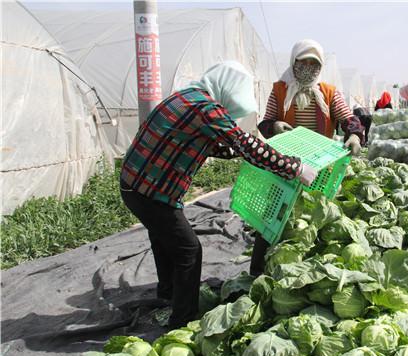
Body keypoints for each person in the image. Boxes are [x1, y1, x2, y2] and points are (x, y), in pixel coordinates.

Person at [119, 61, 317, 328]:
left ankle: (168, 295)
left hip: (135, 184)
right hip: (151, 191)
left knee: (164, 238)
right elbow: (242, 142)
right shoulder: (205, 109)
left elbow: (221, 144)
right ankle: (182, 320)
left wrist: (260, 150)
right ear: (227, 88)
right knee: (188, 250)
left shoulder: (187, 97)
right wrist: (294, 168)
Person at [251, 39, 365, 276]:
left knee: (313, 219)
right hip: (285, 164)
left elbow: (349, 119)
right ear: (294, 62)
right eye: (304, 63)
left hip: (320, 165)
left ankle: (306, 271)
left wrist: (354, 134)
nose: (309, 69)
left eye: (315, 64)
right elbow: (265, 121)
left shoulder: (329, 93)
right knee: (274, 216)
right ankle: (258, 272)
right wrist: (275, 126)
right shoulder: (281, 89)